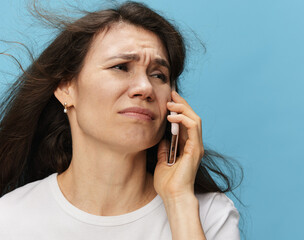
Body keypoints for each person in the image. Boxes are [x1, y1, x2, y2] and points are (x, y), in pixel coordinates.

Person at [0, 1, 241, 239]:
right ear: (66, 87)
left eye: (158, 75)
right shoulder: (9, 220)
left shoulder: (209, 215)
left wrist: (179, 201)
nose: (145, 87)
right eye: (121, 67)